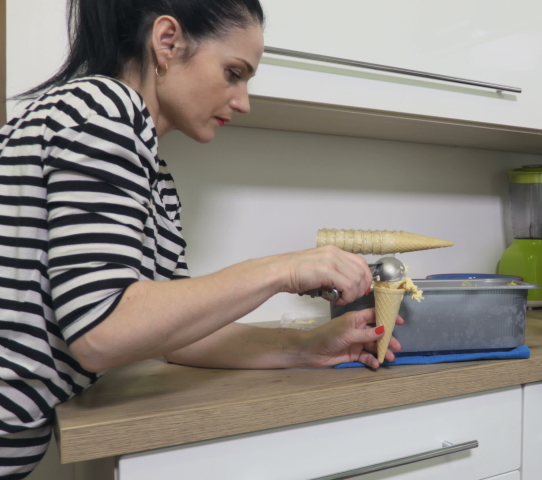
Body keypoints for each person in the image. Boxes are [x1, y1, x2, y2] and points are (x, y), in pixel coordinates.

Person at [0, 1, 404, 477]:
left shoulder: (151, 172)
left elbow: (177, 339)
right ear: (167, 42)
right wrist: (282, 269)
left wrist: (309, 346)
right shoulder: (104, 111)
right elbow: (100, 331)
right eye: (234, 72)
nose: (243, 101)